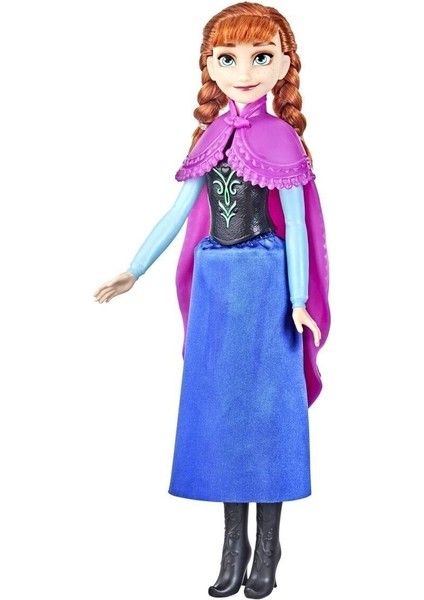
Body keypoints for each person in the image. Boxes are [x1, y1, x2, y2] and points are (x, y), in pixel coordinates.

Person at [94, 3, 330, 598]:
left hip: (266, 284)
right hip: (217, 285)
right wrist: (134, 269)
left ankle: (268, 546)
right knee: (224, 413)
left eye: (260, 57)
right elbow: (179, 210)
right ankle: (233, 547)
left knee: (267, 414)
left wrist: (299, 299)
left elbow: (298, 228)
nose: (243, 71)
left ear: (284, 65)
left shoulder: (282, 138)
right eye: (228, 58)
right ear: (209, 65)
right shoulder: (210, 135)